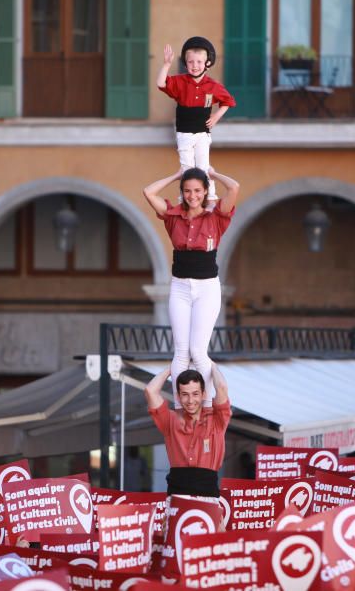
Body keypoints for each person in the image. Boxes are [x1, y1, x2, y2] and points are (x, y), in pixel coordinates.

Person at [143, 166, 240, 406]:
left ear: (206, 191)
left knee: (197, 351)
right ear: (182, 192)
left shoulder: (216, 216)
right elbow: (148, 192)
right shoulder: (173, 215)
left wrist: (214, 174)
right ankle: (180, 405)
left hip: (207, 288)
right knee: (180, 352)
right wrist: (176, 175)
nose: (192, 195)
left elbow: (234, 187)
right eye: (187, 191)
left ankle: (205, 405)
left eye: (197, 190)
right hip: (180, 287)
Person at [157, 37, 236, 206]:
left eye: (199, 61)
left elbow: (228, 102)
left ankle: (210, 198)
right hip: (184, 132)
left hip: (202, 132)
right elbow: (161, 83)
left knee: (203, 166)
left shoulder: (213, 86)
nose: (195, 65)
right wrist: (166, 65)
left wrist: (216, 116)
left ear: (207, 63)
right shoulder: (179, 82)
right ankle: (183, 199)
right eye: (190, 62)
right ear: (185, 64)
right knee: (187, 167)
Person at [145, 364, 231, 497]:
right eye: (185, 394)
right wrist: (173, 367)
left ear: (203, 394)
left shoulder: (216, 421)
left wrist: (211, 365)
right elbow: (150, 390)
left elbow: (222, 387)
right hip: (176, 496)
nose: (190, 400)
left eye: (195, 394)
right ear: (178, 397)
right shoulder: (170, 420)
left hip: (208, 496)